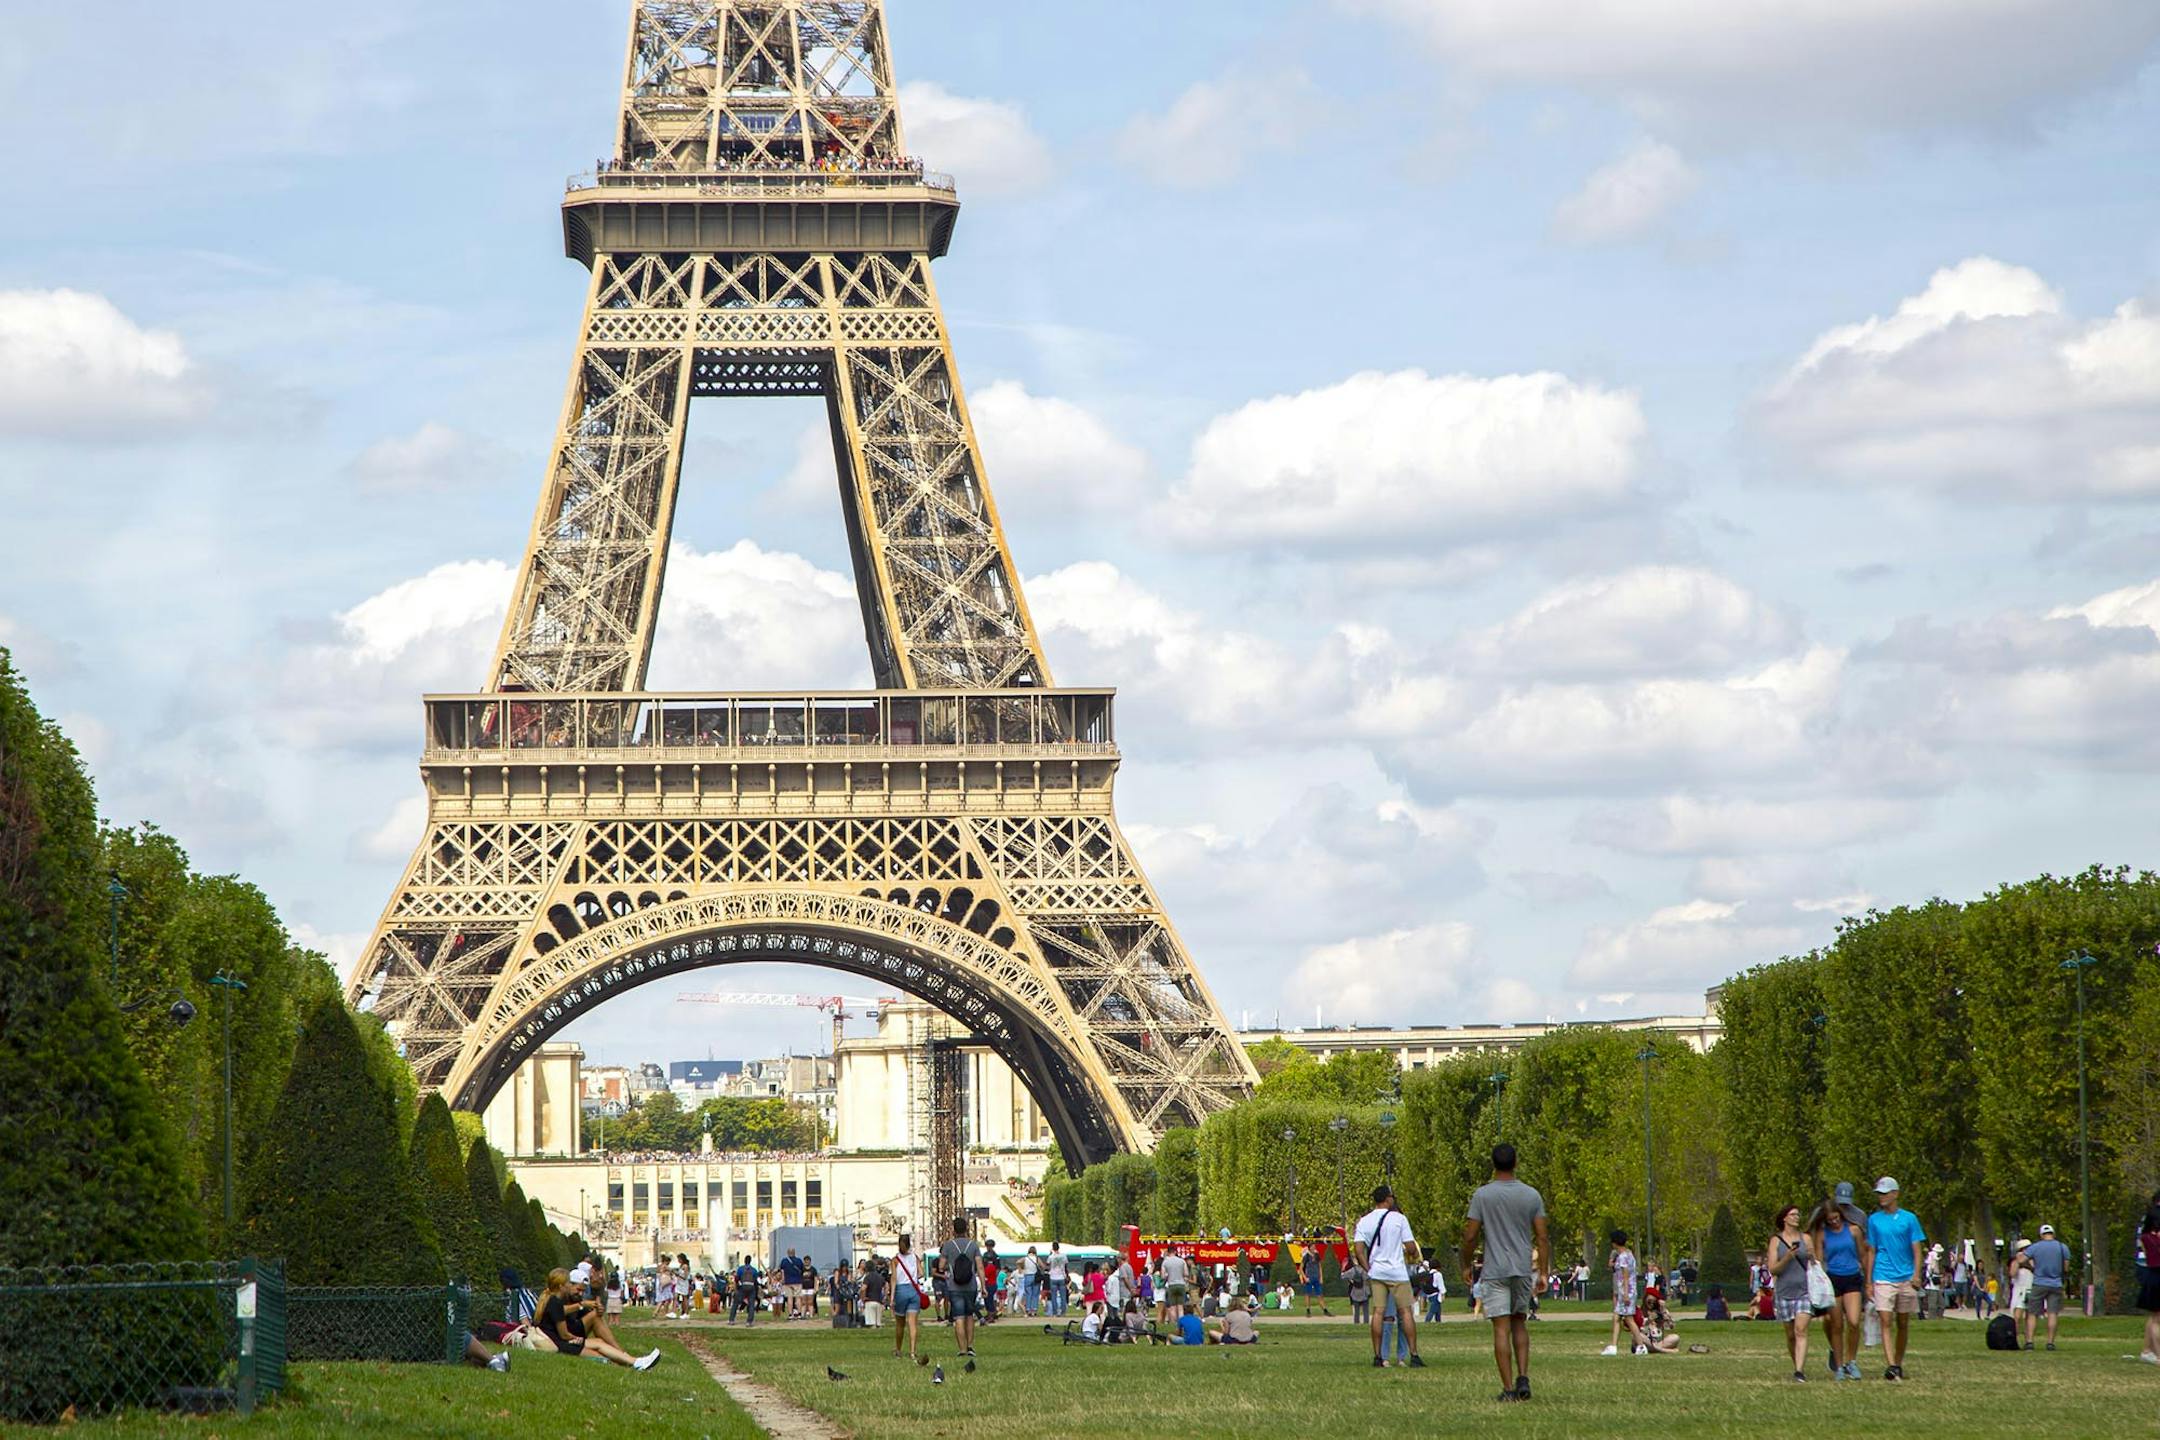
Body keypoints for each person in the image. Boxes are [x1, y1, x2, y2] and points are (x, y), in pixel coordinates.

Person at [1463, 1145, 1546, 1402]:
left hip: (1495, 1268)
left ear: (1493, 1164)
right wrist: (1543, 1271)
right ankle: (1523, 1376)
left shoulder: (1483, 1195)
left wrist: (1465, 1264)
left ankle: (1508, 1388)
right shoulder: (1531, 1195)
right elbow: (1542, 1237)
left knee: (1501, 1328)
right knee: (1519, 1322)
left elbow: (1470, 1235)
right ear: (1516, 1162)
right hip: (1522, 1267)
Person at [1354, 1184, 1424, 1371]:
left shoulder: (1364, 1221)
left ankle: (1378, 1356)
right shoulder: (1399, 1218)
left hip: (1377, 1271)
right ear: (1388, 1199)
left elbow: (1358, 1251)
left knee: (1378, 1312)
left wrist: (1369, 1269)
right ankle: (1414, 1354)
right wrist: (1413, 1254)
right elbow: (1410, 1246)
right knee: (1406, 1312)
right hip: (1397, 1271)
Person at [1807, 1181, 1871, 1380]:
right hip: (1833, 1279)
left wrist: (1868, 1280)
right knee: (1836, 1325)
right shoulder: (1822, 1234)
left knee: (1854, 1321)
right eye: (1830, 1220)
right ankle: (1840, 1365)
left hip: (1852, 1277)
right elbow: (1819, 1260)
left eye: (1836, 1218)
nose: (1834, 1222)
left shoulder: (1854, 1230)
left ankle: (1852, 1361)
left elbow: (1863, 1255)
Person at [1865, 1176, 1927, 1382]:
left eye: (1885, 1193)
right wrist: (1869, 1280)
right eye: (1879, 1194)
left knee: (1902, 1322)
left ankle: (1898, 1363)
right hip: (1883, 1275)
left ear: (1895, 1194)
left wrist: (1916, 1274)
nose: (1881, 1197)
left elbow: (1917, 1249)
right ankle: (1891, 1365)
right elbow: (1871, 1250)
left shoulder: (1909, 1219)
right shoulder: (1874, 1220)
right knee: (1885, 1319)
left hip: (1906, 1276)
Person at [536, 1268, 661, 1370]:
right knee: (600, 1354)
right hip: (562, 1343)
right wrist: (576, 1338)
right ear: (561, 1286)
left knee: (599, 1344)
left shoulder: (551, 1300)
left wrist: (589, 1308)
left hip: (561, 1340)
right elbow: (564, 1334)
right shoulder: (556, 1302)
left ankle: (634, 1362)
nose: (579, 1293)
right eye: (569, 1284)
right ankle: (634, 1362)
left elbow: (561, 1315)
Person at [1767, 1204, 1816, 1382]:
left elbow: (1814, 1264)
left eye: (1798, 1214)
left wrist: (1811, 1256)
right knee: (1790, 1335)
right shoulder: (1776, 1241)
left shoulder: (1806, 1238)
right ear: (1784, 1218)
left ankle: (1799, 1371)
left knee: (1800, 1329)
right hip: (1784, 1292)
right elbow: (1773, 1269)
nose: (1796, 1217)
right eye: (1793, 1214)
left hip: (1805, 1290)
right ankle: (1797, 1364)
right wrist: (1787, 1257)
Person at [2022, 1223, 2072, 1351]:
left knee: (2032, 1313)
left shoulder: (2035, 1247)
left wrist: (2033, 1266)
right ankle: (2050, 1343)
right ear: (2053, 1234)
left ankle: (2030, 1342)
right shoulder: (2062, 1247)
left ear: (2041, 1235)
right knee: (2052, 1313)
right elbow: (2066, 1267)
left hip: (2039, 1283)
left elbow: (2022, 1259)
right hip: (2056, 1284)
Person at [941, 1214, 984, 1360]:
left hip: (955, 1286)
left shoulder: (948, 1246)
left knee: (958, 1317)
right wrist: (983, 1286)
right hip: (970, 1285)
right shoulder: (973, 1245)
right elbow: (980, 1267)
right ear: (966, 1229)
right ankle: (970, 1346)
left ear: (953, 1230)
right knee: (969, 1316)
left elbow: (941, 1265)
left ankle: (962, 1348)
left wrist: (950, 1265)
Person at [1604, 1231, 1650, 1355]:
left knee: (1629, 1319)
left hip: (1627, 1292)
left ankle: (1641, 1346)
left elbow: (1625, 1276)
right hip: (1628, 1291)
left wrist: (1625, 1294)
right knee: (1616, 1317)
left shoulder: (1623, 1257)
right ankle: (1613, 1346)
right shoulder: (1629, 1254)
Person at [891, 1234, 930, 1364]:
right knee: (912, 1323)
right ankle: (912, 1351)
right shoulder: (915, 1257)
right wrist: (913, 1278)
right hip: (914, 1291)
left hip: (901, 1291)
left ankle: (898, 1349)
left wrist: (892, 1297)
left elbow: (894, 1279)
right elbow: (921, 1273)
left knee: (900, 1323)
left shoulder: (895, 1260)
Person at [2135, 1195, 2160, 1365]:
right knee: (2157, 1319)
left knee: (2154, 1316)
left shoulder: (2145, 1237)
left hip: (2151, 1274)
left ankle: (2150, 1351)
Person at [1161, 1247, 1191, 1321]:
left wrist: (1168, 1275)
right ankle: (1181, 1323)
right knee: (1180, 1307)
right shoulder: (1182, 1261)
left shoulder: (1165, 1262)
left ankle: (1174, 1323)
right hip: (1181, 1284)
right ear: (1175, 1252)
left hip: (1171, 1285)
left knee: (1173, 1307)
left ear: (1168, 1252)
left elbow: (1163, 1276)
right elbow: (1186, 1273)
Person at [730, 1253, 760, 1326]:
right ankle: (749, 1322)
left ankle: (731, 1320)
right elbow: (755, 1280)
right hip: (751, 1287)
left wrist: (737, 1287)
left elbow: (737, 1279)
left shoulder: (740, 1269)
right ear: (750, 1261)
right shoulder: (754, 1270)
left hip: (743, 1286)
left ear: (744, 1261)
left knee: (736, 1303)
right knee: (751, 1304)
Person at [1301, 1244, 1330, 1317]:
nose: (1314, 1248)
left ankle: (1325, 1310)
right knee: (1308, 1294)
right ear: (1309, 1248)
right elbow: (1301, 1268)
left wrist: (1321, 1277)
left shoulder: (1317, 1255)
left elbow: (1319, 1266)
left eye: (1314, 1246)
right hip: (1309, 1277)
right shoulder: (1306, 1256)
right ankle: (1308, 1310)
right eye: (1312, 1247)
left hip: (1316, 1277)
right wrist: (1305, 1278)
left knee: (1319, 1294)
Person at [862, 1251, 887, 1329]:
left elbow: (863, 1288)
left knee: (872, 1324)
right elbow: (886, 1285)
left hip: (869, 1301)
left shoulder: (867, 1277)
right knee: (878, 1324)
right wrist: (885, 1296)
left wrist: (863, 1297)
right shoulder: (880, 1277)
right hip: (878, 1301)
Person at [1345, 1256, 1371, 1325]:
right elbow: (1369, 1276)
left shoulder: (1353, 1270)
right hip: (1365, 1291)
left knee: (1356, 1310)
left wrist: (1351, 1279)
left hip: (1355, 1292)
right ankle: (1366, 1322)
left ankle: (1356, 1322)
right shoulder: (1365, 1269)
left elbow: (1343, 1276)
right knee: (1366, 1310)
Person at [1046, 1242, 1069, 1317]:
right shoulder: (1063, 1256)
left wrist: (1050, 1254)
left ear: (1053, 1248)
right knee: (1063, 1296)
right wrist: (1066, 1275)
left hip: (1053, 1277)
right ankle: (1063, 1312)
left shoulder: (1051, 1256)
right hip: (1061, 1276)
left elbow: (1047, 1264)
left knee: (1053, 1296)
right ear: (1058, 1247)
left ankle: (1055, 1312)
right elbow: (1066, 1266)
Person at [1021, 1246, 1042, 1316]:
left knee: (1028, 1294)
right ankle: (1034, 1310)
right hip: (1035, 1277)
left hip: (1027, 1276)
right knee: (1035, 1294)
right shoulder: (1037, 1258)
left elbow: (1018, 1261)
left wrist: (1021, 1268)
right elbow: (1042, 1266)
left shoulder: (1025, 1258)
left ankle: (1028, 1309)